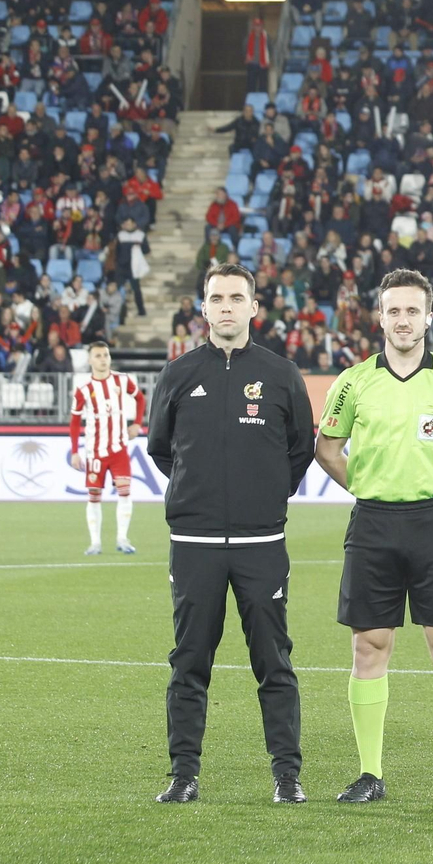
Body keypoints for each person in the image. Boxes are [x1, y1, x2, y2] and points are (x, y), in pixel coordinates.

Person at [314, 269, 433, 805]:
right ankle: (369, 773)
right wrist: (367, 486)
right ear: (380, 317)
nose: (403, 320)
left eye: (412, 311)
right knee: (368, 646)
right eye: (393, 311)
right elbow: (327, 449)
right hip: (372, 524)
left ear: (428, 317)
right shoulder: (353, 382)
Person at [145, 264, 316, 804]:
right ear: (203, 308)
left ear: (253, 307)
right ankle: (183, 775)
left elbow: (299, 450)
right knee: (190, 661)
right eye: (216, 298)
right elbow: (162, 450)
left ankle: (287, 776)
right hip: (194, 544)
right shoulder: (177, 374)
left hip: (260, 543)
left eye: (235, 298)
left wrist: (262, 497)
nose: (225, 306)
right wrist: (200, 498)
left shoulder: (282, 373)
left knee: (274, 661)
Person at [69, 341, 145, 555]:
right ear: (90, 360)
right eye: (98, 356)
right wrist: (75, 451)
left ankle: (122, 538)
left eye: (105, 355)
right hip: (95, 451)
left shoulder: (122, 380)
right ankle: (95, 542)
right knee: (94, 495)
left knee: (125, 492)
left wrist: (137, 423)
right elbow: (74, 422)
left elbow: (140, 399)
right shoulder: (84, 390)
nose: (103, 359)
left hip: (119, 448)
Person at [244, 17, 270, 95]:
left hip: (263, 65)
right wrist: (246, 58)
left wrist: (269, 60)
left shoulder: (267, 38)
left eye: (259, 26)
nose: (257, 28)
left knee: (263, 86)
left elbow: (271, 50)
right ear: (253, 27)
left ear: (262, 27)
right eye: (256, 26)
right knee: (251, 86)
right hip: (252, 64)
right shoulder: (248, 38)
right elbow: (244, 50)